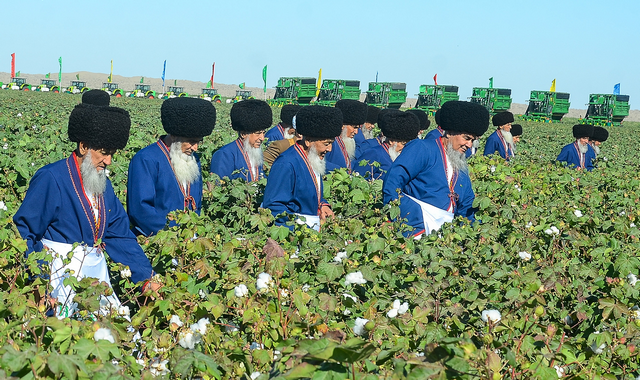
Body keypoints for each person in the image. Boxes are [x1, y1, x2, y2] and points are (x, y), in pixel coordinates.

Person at [13, 104, 157, 318]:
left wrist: (147, 277)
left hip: (96, 279)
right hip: (57, 281)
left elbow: (120, 236)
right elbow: (24, 233)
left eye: (112, 154)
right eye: (104, 153)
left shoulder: (103, 186)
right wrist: (39, 286)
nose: (108, 161)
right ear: (83, 146)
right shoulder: (51, 178)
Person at [383, 101, 489, 237]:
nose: (469, 144)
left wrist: (472, 231)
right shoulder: (423, 148)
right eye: (466, 138)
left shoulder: (461, 165)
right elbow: (393, 181)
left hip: (446, 235)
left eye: (472, 141)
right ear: (450, 132)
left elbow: (467, 202)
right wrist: (407, 215)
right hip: (415, 230)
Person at [127, 97, 216, 237]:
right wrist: (170, 235)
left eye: (199, 141)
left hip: (189, 239)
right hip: (157, 239)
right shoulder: (146, 159)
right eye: (191, 142)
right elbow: (140, 209)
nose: (196, 148)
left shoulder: (194, 159)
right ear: (174, 136)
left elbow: (196, 202)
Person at [263, 106, 343, 231]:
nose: (330, 149)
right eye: (326, 144)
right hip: (294, 235)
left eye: (331, 143)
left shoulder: (313, 158)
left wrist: (323, 205)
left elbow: (312, 193)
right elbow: (274, 207)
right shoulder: (286, 164)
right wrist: (302, 229)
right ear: (309, 141)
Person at [210, 99, 272, 181]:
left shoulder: (256, 151)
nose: (262, 138)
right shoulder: (224, 155)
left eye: (263, 133)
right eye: (258, 133)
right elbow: (219, 186)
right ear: (243, 134)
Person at [352, 110, 421, 180]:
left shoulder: (397, 155)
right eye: (403, 144)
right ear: (391, 141)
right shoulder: (374, 153)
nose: (405, 147)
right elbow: (357, 179)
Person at [325, 99, 367, 171]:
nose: (356, 132)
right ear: (342, 125)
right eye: (354, 127)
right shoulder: (331, 142)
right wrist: (340, 170)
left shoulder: (343, 141)